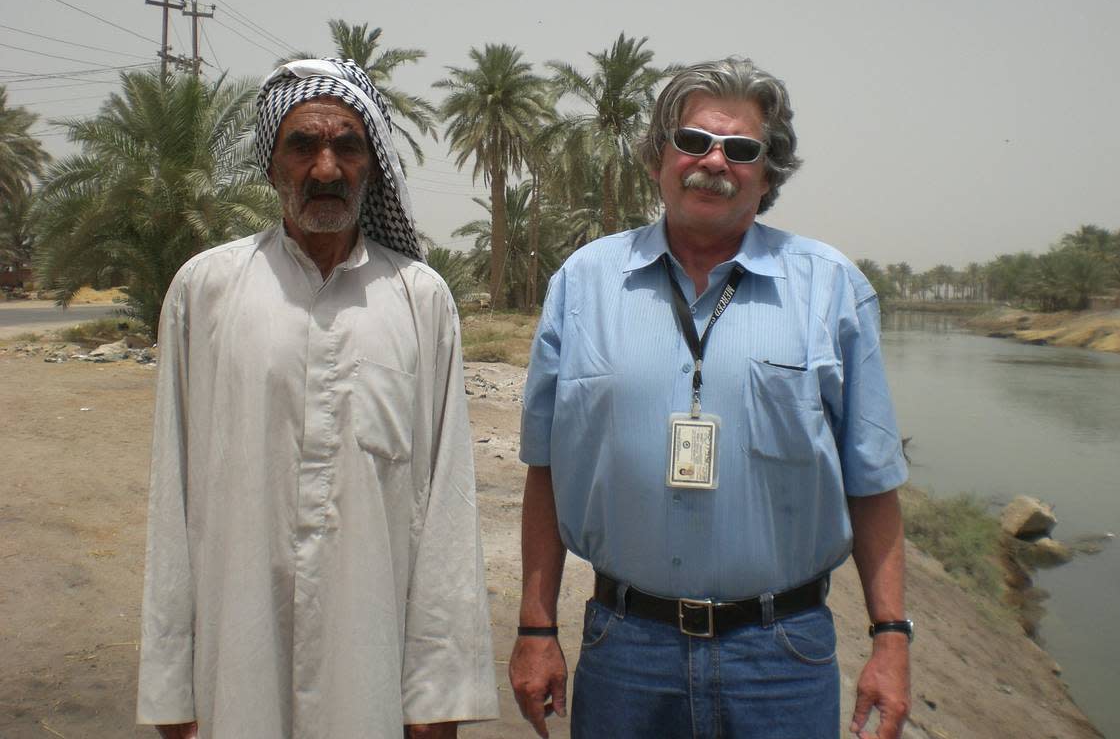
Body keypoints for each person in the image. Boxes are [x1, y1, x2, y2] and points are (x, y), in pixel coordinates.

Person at [509, 57, 912, 739]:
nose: (713, 161)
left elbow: (872, 481)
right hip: (625, 649)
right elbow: (546, 467)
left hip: (782, 655)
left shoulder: (830, 287)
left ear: (768, 170)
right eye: (693, 141)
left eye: (741, 149)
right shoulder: (583, 284)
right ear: (659, 155)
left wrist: (892, 638)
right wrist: (535, 624)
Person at [136, 58, 497, 739]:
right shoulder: (206, 291)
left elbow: (448, 511)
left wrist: (438, 698)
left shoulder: (420, 302)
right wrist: (170, 691)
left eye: (348, 147)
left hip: (370, 671)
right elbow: (172, 498)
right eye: (303, 146)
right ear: (272, 165)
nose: (326, 168)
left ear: (374, 166)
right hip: (236, 667)